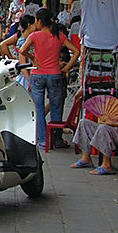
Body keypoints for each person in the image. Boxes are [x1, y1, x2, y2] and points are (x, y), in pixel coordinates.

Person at [19, 8, 80, 147]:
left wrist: (33, 58)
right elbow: (76, 52)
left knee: (39, 108)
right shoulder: (58, 35)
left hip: (38, 75)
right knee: (56, 107)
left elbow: (22, 51)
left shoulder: (34, 36)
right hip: (55, 75)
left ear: (40, 21)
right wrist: (66, 68)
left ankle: (43, 140)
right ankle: (56, 140)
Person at [71, 72, 118, 175]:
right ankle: (86, 157)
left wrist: (115, 124)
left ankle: (107, 165)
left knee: (104, 128)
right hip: (115, 129)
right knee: (84, 123)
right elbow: (116, 116)